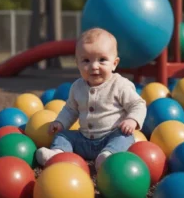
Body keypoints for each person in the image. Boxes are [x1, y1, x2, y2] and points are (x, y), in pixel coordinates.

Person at [36, 27, 147, 170]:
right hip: (84, 140)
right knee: (63, 136)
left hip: (111, 136)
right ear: (77, 64)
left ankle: (108, 157)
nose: (94, 66)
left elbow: (138, 104)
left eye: (102, 60)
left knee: (125, 137)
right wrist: (60, 122)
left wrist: (132, 120)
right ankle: (57, 155)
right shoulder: (77, 87)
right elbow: (70, 109)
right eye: (86, 61)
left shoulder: (120, 85)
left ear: (114, 63)